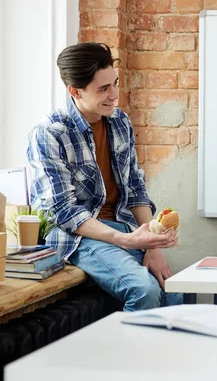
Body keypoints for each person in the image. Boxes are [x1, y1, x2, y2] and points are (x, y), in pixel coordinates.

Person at [27, 42, 182, 311]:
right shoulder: (49, 133)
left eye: (115, 84)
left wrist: (153, 245)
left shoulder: (119, 121)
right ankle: (127, 354)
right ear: (75, 91)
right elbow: (64, 213)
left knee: (176, 291)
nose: (114, 95)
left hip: (122, 228)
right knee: (144, 290)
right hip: (79, 237)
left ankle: (155, 354)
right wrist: (127, 240)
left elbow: (135, 188)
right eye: (103, 89)